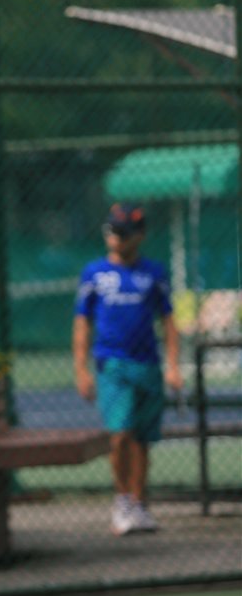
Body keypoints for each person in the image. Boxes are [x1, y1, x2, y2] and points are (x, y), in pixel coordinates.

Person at [73, 202, 183, 537]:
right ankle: (122, 501)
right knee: (120, 434)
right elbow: (82, 323)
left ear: (140, 235)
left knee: (142, 439)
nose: (116, 238)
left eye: (123, 233)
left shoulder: (154, 273)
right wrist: (81, 369)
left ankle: (139, 503)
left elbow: (168, 321)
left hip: (148, 365)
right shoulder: (95, 274)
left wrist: (173, 365)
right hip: (112, 364)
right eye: (112, 231)